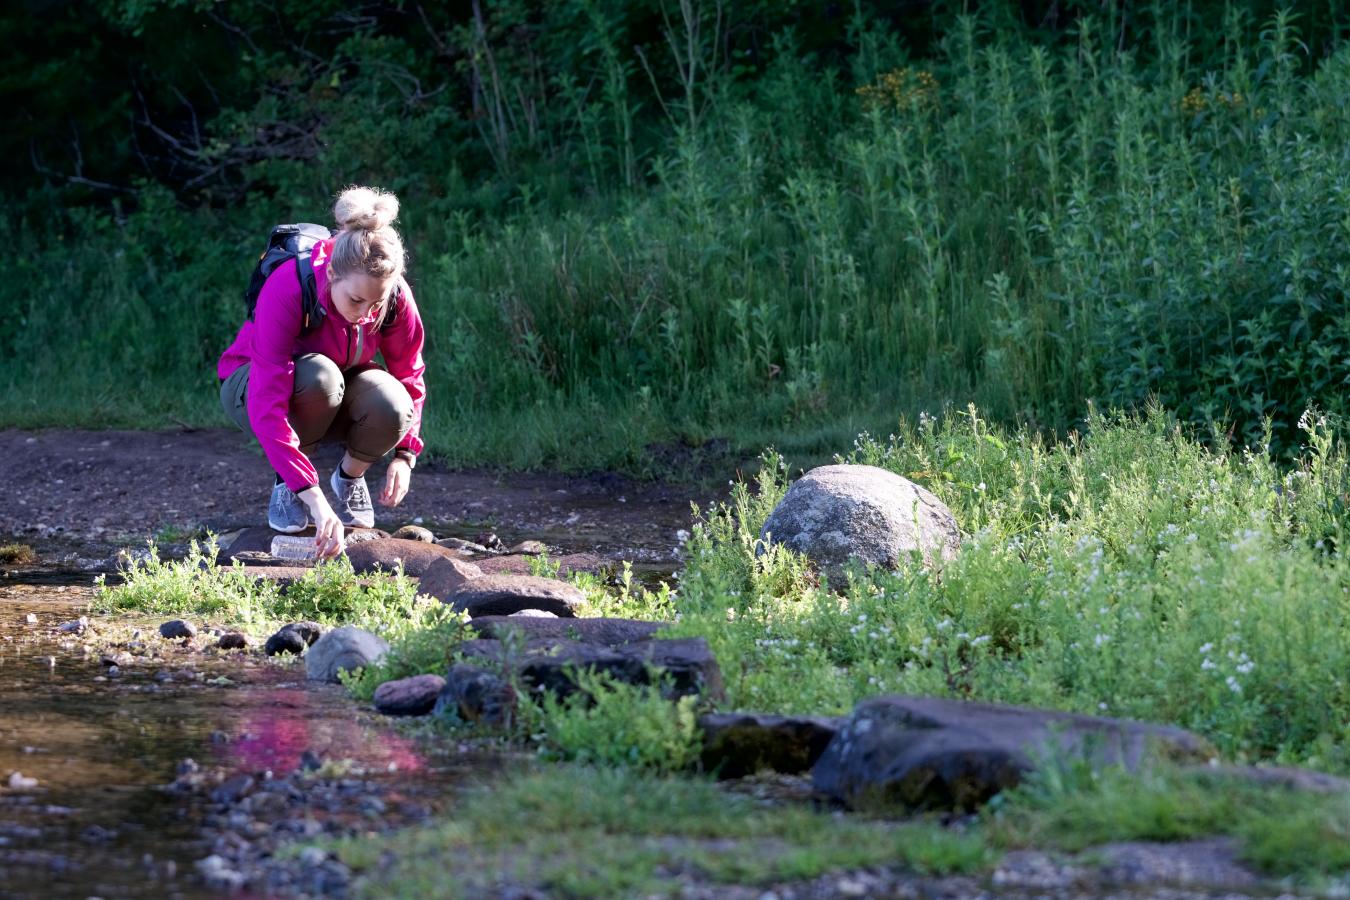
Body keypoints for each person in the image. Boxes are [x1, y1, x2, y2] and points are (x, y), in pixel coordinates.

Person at [218, 186, 426, 559]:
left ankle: (349, 478)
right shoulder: (289, 286)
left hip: (335, 385)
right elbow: (267, 400)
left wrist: (404, 455)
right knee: (320, 377)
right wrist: (312, 495)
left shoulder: (395, 297)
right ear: (331, 273)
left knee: (394, 403)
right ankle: (288, 484)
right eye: (356, 300)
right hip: (252, 386)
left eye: (375, 303)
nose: (365, 314)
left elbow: (410, 375)